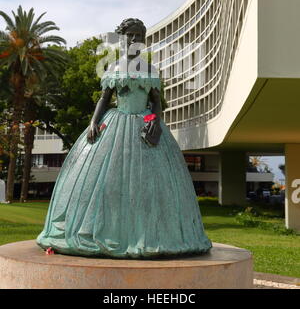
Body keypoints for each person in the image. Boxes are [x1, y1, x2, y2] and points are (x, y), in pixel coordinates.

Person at [37, 18, 212, 258]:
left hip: (146, 126)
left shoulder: (150, 70)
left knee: (149, 185)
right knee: (102, 183)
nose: (134, 40)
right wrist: (93, 122)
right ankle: (103, 231)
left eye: (139, 35)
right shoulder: (114, 69)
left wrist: (157, 124)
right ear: (121, 39)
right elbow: (104, 98)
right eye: (130, 35)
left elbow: (156, 101)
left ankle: (150, 234)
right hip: (115, 125)